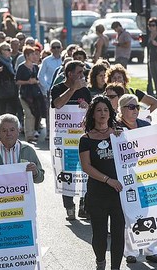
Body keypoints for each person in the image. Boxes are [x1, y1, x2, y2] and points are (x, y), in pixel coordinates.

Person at [79, 96, 124, 270]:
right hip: (97, 193)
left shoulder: (119, 134)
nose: (103, 114)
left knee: (118, 233)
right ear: (93, 113)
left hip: (119, 193)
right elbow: (86, 167)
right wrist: (107, 180)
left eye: (106, 110)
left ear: (110, 113)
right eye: (99, 110)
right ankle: (100, 263)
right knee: (99, 235)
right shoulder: (86, 139)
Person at [115, 94, 157, 264]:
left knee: (151, 212)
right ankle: (131, 252)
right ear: (121, 110)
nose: (135, 110)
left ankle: (152, 250)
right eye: (131, 107)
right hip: (126, 177)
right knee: (131, 213)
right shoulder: (115, 128)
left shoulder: (145, 125)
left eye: (137, 107)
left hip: (146, 174)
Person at [51, 60, 92, 221]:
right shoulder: (58, 88)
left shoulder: (85, 90)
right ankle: (69, 207)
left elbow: (91, 111)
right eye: (79, 72)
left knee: (84, 172)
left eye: (83, 72)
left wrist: (86, 107)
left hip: (81, 138)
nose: (82, 75)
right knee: (67, 172)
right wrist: (73, 89)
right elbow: (57, 104)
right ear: (70, 74)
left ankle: (84, 205)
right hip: (64, 140)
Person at [0, 114, 44, 184]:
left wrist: (35, 172)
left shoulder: (28, 151)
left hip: (22, 194)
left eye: (12, 130)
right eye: (4, 130)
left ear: (18, 131)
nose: (8, 134)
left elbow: (40, 178)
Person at [16, 46, 44, 143]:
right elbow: (17, 81)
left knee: (35, 113)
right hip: (25, 94)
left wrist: (35, 81)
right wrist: (28, 81)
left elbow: (39, 79)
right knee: (28, 114)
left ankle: (33, 132)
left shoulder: (36, 67)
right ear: (27, 56)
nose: (34, 56)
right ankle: (29, 135)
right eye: (32, 54)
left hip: (35, 94)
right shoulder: (21, 67)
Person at [38, 40, 63, 140]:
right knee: (50, 112)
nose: (56, 49)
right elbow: (40, 76)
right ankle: (49, 133)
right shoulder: (46, 61)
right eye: (54, 47)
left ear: (61, 48)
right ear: (51, 49)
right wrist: (48, 87)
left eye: (58, 47)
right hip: (51, 90)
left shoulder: (65, 59)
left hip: (64, 90)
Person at [0, 42, 20, 121]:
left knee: (13, 103)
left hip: (11, 84)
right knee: (1, 103)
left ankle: (13, 120)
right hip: (1, 84)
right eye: (7, 50)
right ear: (2, 51)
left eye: (10, 49)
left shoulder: (10, 61)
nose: (10, 51)